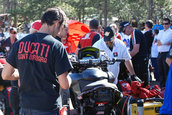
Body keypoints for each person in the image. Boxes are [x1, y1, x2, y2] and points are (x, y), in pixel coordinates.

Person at [1, 7, 73, 115]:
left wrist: (24, 72)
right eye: (62, 27)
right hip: (48, 108)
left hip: (25, 107)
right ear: (57, 23)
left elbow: (6, 74)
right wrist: (70, 78)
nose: (59, 31)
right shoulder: (56, 46)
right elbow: (64, 84)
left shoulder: (20, 43)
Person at [0, 27, 19, 115]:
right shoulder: (5, 42)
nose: (13, 34)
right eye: (11, 32)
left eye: (15, 32)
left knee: (15, 87)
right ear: (9, 33)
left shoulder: (19, 42)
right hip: (7, 66)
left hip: (16, 67)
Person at [157, 18, 172, 88]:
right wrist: (164, 43)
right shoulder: (161, 31)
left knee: (166, 72)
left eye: (166, 24)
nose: (164, 25)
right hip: (159, 54)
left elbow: (162, 42)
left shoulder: (171, 32)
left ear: (170, 24)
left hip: (166, 54)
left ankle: (167, 89)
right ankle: (162, 89)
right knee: (160, 72)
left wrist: (162, 43)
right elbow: (156, 42)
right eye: (163, 24)